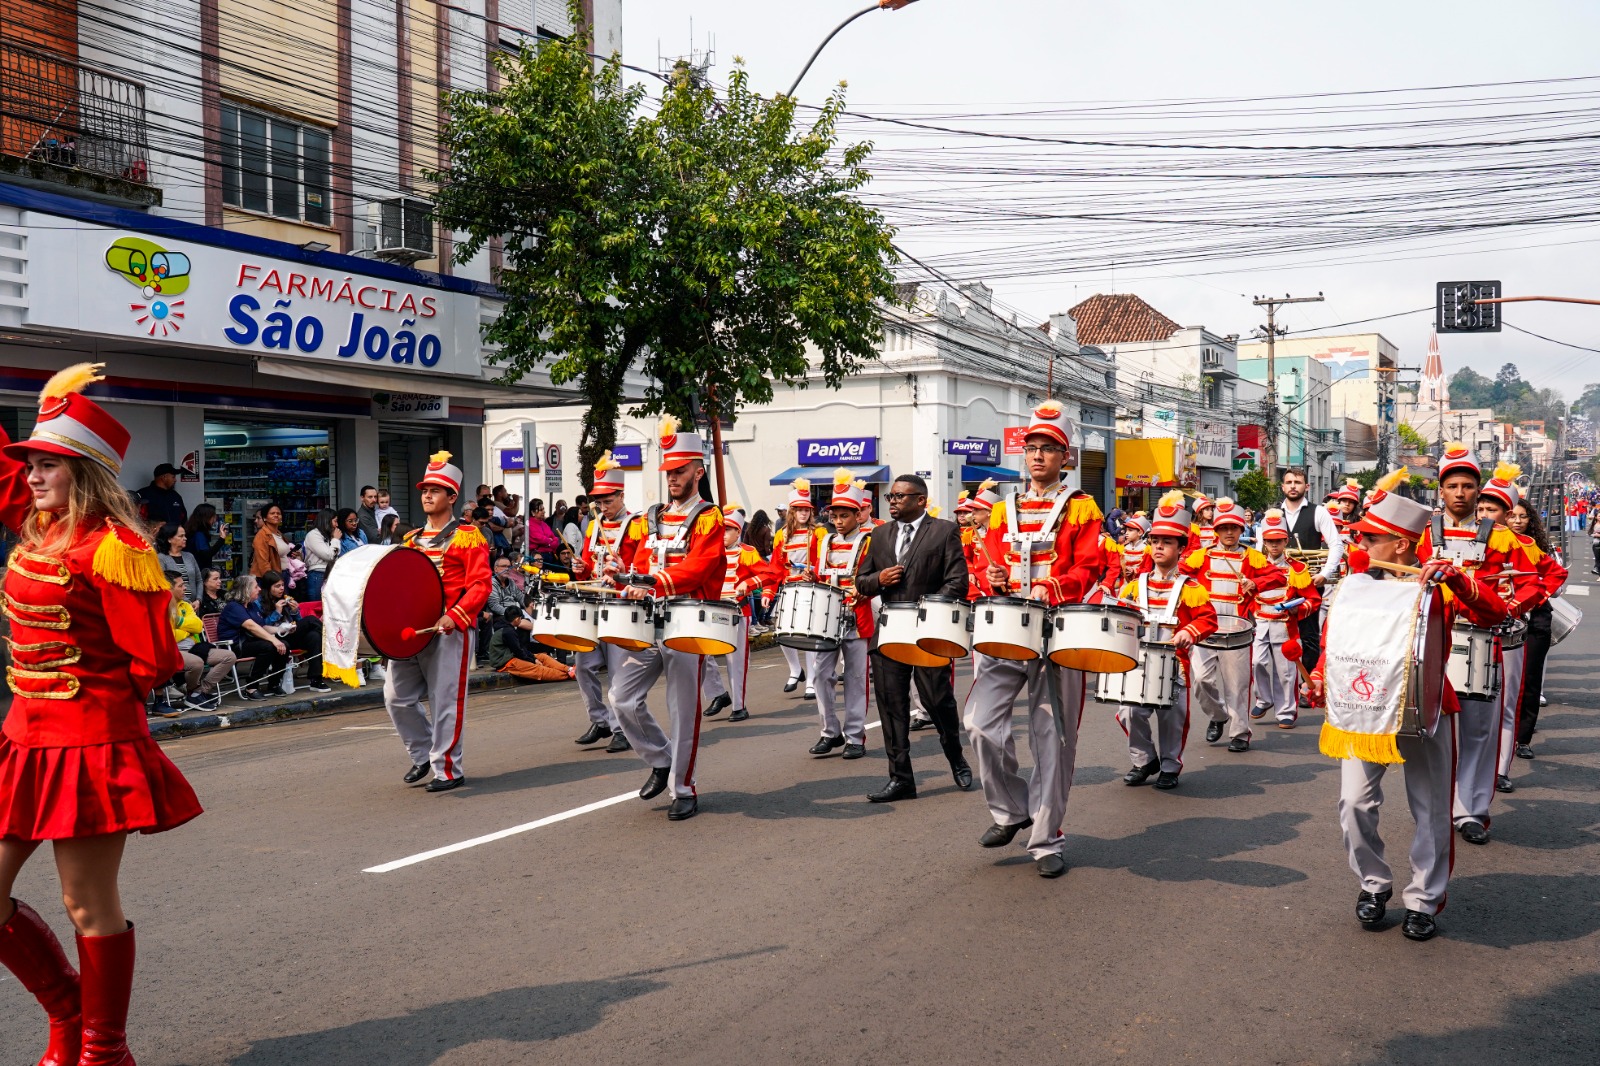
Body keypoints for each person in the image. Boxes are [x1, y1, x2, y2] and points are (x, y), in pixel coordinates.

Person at [0, 363, 203, 1066]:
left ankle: (102, 1049)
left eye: (48, 465)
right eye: (29, 464)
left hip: (88, 745)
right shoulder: (37, 527)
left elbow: (154, 661)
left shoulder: (114, 551)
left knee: (85, 903)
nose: (31, 476)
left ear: (82, 472)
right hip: (23, 742)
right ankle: (67, 1013)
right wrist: (52, 404)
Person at [1305, 467, 1507, 942]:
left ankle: (1423, 899)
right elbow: (1337, 640)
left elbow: (1494, 613)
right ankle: (1373, 884)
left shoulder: (1435, 584)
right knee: (1354, 803)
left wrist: (1458, 579)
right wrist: (1317, 677)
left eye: (1371, 538)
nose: (1361, 544)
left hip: (1426, 705)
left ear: (1399, 545)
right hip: (1362, 707)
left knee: (1432, 809)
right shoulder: (1353, 584)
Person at [965, 401, 1099, 878]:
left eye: (1049, 449)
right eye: (1033, 448)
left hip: (1060, 633)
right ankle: (1012, 810)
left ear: (1066, 458)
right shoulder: (1003, 509)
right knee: (979, 724)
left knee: (1054, 740)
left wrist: (1053, 585)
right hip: (1007, 628)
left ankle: (1046, 839)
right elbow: (986, 565)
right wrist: (994, 575)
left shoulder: (1082, 506)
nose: (1038, 456)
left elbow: (1090, 566)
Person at [1415, 446, 1539, 845]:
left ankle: (1471, 810)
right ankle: (1439, 804)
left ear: (1477, 490)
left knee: (1479, 732)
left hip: (1483, 639)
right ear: (1441, 490)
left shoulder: (1503, 536)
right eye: (1452, 485)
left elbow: (1535, 579)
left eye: (1468, 486)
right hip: (1434, 638)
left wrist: (1512, 606)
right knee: (1432, 730)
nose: (1460, 493)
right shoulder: (1424, 532)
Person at [607, 418, 726, 822]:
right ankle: (660, 758)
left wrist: (652, 581)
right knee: (620, 697)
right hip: (647, 621)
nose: (672, 478)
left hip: (687, 621)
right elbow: (641, 561)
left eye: (679, 471)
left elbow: (699, 567)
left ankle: (684, 786)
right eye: (669, 471)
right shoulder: (651, 516)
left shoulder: (710, 518)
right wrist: (625, 578)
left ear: (698, 471)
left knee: (683, 709)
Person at [855, 472, 972, 806]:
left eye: (900, 496)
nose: (893, 501)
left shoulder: (944, 531)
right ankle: (901, 779)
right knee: (892, 706)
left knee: (938, 701)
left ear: (920, 500)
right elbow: (861, 581)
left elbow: (957, 581)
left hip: (928, 631)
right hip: (890, 630)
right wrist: (879, 577)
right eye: (891, 496)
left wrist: (927, 609)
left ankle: (956, 757)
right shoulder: (878, 535)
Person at [382, 453, 491, 792]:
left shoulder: (469, 537)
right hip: (413, 630)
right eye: (425, 489)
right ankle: (423, 754)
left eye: (436, 490)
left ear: (452, 497)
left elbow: (480, 586)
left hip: (449, 629)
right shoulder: (411, 539)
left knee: (445, 700)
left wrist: (453, 615)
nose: (427, 495)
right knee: (395, 696)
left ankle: (447, 768)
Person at [1114, 492, 1218, 790]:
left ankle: (1171, 765)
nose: (1159, 546)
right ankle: (1144, 760)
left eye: (1167, 541)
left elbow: (1208, 619)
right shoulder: (1134, 586)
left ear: (1181, 547)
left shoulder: (1192, 587)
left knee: (1172, 716)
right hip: (1138, 663)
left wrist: (1190, 632)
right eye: (1155, 541)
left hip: (1176, 664)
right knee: (1129, 711)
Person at [1473, 466, 1554, 796]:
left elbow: (1550, 580)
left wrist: (1519, 601)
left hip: (1510, 634)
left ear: (1507, 513)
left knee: (1507, 705)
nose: (1484, 514)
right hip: (1469, 632)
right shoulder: (1462, 537)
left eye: (1491, 509)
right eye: (1481, 508)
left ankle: (1502, 768)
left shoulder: (1524, 545)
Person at [1181, 497, 1285, 752]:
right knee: (1202, 681)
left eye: (1234, 528)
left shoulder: (1253, 558)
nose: (1229, 532)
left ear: (1241, 530)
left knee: (1237, 685)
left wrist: (1256, 584)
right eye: (1224, 528)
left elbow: (1278, 575)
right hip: (1204, 628)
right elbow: (1179, 574)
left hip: (1237, 631)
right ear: (1216, 530)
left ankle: (1239, 731)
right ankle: (1218, 715)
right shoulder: (1199, 557)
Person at [801, 475, 876, 759]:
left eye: (845, 515)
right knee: (820, 675)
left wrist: (865, 592)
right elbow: (823, 576)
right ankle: (830, 731)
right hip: (827, 618)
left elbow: (877, 579)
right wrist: (812, 577)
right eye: (835, 515)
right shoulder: (825, 541)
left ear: (859, 514)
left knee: (856, 679)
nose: (839, 520)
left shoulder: (871, 541)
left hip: (857, 617)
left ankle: (855, 736)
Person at [567, 453, 631, 751]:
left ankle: (622, 729)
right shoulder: (592, 527)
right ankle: (600, 720)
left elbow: (640, 568)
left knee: (618, 674)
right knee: (583, 666)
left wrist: (622, 574)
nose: (603, 507)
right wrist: (581, 568)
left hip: (621, 606)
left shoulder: (638, 525)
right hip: (594, 605)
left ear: (621, 495)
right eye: (599, 501)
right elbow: (592, 567)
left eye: (608, 501)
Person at [1249, 509, 1321, 728]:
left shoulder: (1298, 569)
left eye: (1278, 541)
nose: (1273, 545)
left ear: (1285, 541)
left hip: (1285, 626)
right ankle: (1264, 699)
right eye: (1270, 541)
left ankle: (1286, 711)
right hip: (1260, 623)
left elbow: (1313, 599)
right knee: (1257, 662)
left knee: (1286, 672)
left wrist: (1296, 610)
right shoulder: (1255, 565)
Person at [1507, 500, 1563, 760]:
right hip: (1503, 619)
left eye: (1523, 516)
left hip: (1536, 618)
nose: (1517, 521)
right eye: (1512, 516)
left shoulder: (1541, 548)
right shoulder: (1494, 544)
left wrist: (1534, 589)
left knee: (1530, 680)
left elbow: (1557, 583)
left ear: (1531, 520)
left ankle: (1523, 739)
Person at [702, 505, 764, 725]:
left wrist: (748, 584)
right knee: (698, 654)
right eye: (721, 529)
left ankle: (738, 706)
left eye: (728, 529)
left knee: (735, 661)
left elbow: (766, 574)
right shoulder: (708, 551)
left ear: (738, 532)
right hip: (711, 610)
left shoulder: (747, 552)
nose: (723, 534)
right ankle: (718, 693)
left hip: (737, 611)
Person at [1279, 466, 1345, 672]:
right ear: (1282, 487)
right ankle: (1283, 686)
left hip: (1309, 583)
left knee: (1308, 635)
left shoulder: (1318, 512)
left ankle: (1308, 685)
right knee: (1278, 634)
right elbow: (1260, 550)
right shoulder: (1274, 514)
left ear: (1306, 487)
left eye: (1297, 482)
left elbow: (1337, 545)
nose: (1293, 486)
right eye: (1289, 482)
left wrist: (1325, 574)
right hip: (1280, 582)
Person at [767, 479, 819, 696]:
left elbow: (823, 560)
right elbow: (775, 566)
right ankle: (795, 669)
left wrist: (813, 572)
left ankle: (812, 681)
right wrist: (769, 591)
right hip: (788, 588)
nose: (803, 514)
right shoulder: (782, 535)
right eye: (799, 509)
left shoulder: (819, 533)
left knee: (807, 635)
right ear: (792, 511)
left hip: (809, 587)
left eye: (806, 510)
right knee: (782, 630)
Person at [168, 573, 237, 712]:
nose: (185, 589)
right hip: (172, 650)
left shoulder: (185, 605)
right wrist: (187, 630)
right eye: (181, 586)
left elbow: (198, 626)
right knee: (197, 662)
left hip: (194, 647)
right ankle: (194, 692)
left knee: (229, 656)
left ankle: (198, 692)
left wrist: (180, 622)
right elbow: (168, 635)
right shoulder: (161, 608)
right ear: (169, 588)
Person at [255, 571, 329, 691]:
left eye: (282, 585)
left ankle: (316, 679)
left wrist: (295, 611)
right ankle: (330, 642)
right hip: (275, 638)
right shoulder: (259, 602)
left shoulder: (285, 598)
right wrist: (277, 612)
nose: (281, 589)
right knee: (310, 620)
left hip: (290, 633)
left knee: (314, 636)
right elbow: (263, 626)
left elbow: (297, 621)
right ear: (268, 588)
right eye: (277, 586)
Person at [218, 574, 287, 700]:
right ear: (246, 590)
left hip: (249, 642)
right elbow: (251, 627)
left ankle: (274, 683)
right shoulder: (234, 607)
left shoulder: (252, 605)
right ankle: (251, 686)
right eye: (256, 587)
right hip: (233, 646)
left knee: (284, 645)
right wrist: (274, 640)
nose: (259, 589)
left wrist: (281, 630)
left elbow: (262, 626)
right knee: (268, 647)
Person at [300, 508, 341, 602]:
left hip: (330, 573)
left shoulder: (328, 535)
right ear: (327, 520)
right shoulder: (313, 535)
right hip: (317, 575)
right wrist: (335, 540)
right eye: (335, 521)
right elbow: (329, 556)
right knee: (317, 605)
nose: (337, 525)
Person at [156, 521, 201, 600]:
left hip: (195, 605)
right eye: (181, 536)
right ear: (169, 539)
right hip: (176, 604)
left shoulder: (189, 556)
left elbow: (199, 580)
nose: (185, 538)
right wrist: (186, 602)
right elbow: (165, 584)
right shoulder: (161, 558)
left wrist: (198, 599)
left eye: (185, 535)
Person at [135, 461, 187, 527]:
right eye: (173, 477)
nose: (175, 480)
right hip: (150, 536)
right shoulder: (143, 494)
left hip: (174, 536)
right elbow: (135, 519)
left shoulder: (176, 496)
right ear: (164, 477)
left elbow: (183, 517)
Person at [250, 502, 291, 578]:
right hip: (271, 577)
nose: (276, 515)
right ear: (265, 518)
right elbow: (263, 562)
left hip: (283, 574)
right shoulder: (262, 535)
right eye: (272, 513)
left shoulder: (279, 534)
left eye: (278, 513)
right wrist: (271, 579)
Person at [184, 502, 222, 570]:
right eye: (213, 517)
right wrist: (222, 539)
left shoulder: (193, 531)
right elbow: (206, 554)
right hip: (199, 571)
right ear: (206, 518)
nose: (214, 520)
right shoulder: (199, 534)